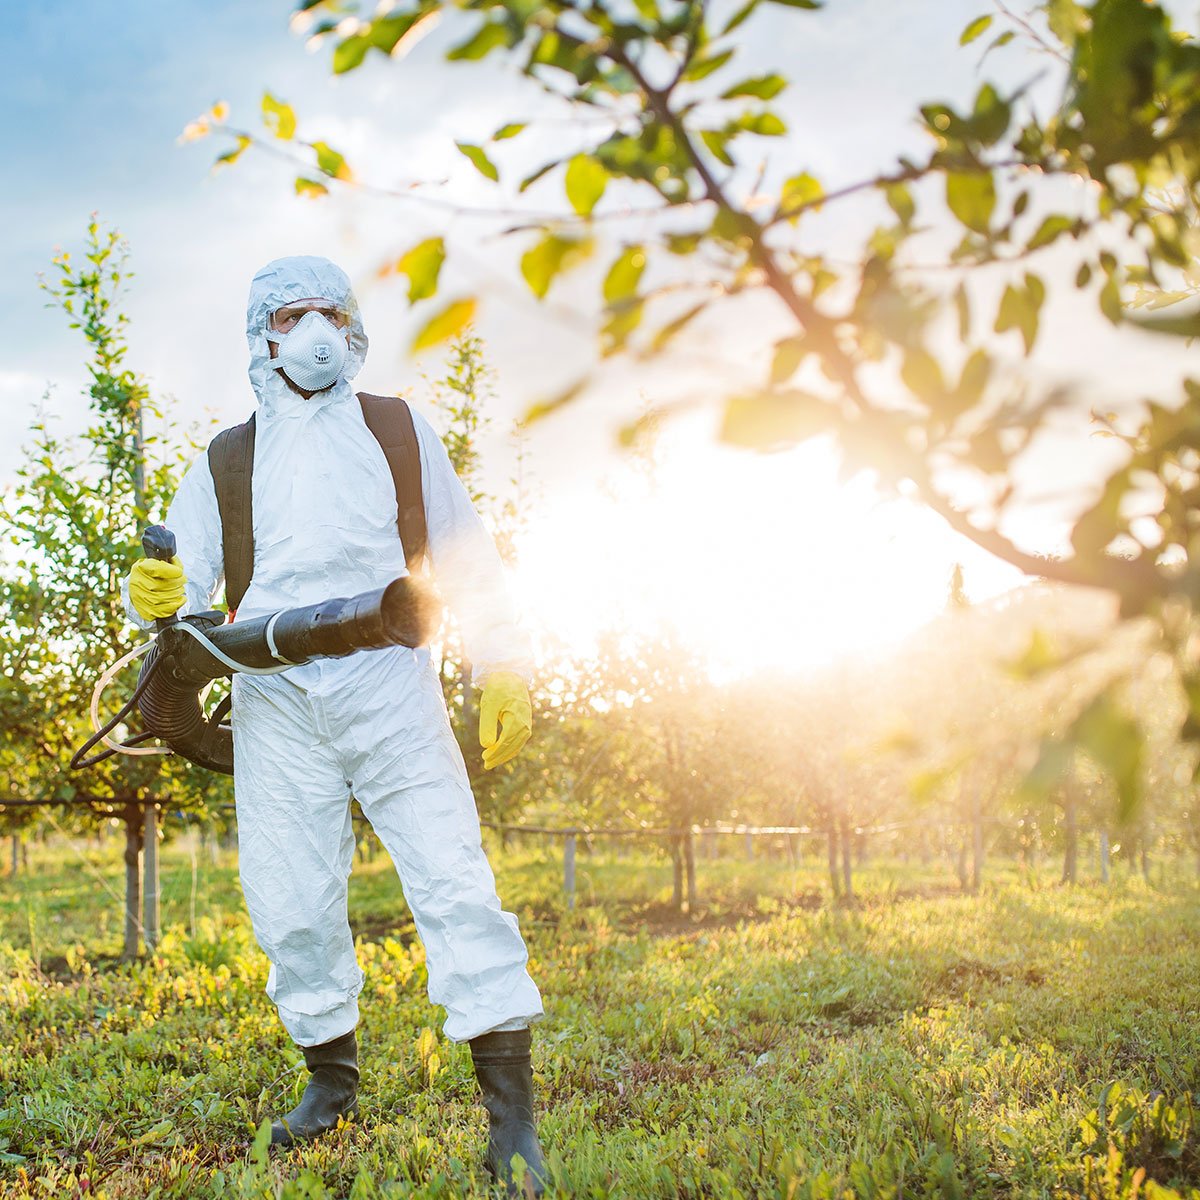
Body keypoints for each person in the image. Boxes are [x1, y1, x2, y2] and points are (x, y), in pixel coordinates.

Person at [125, 255, 547, 1195]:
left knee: (453, 880)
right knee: (290, 903)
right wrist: (151, 597)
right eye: (289, 316)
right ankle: (330, 1082)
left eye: (328, 312)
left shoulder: (397, 428)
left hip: (389, 681)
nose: (311, 331)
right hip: (271, 698)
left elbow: (469, 557)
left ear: (353, 328)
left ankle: (510, 1113)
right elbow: (181, 595)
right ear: (258, 336)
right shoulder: (224, 459)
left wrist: (504, 663)